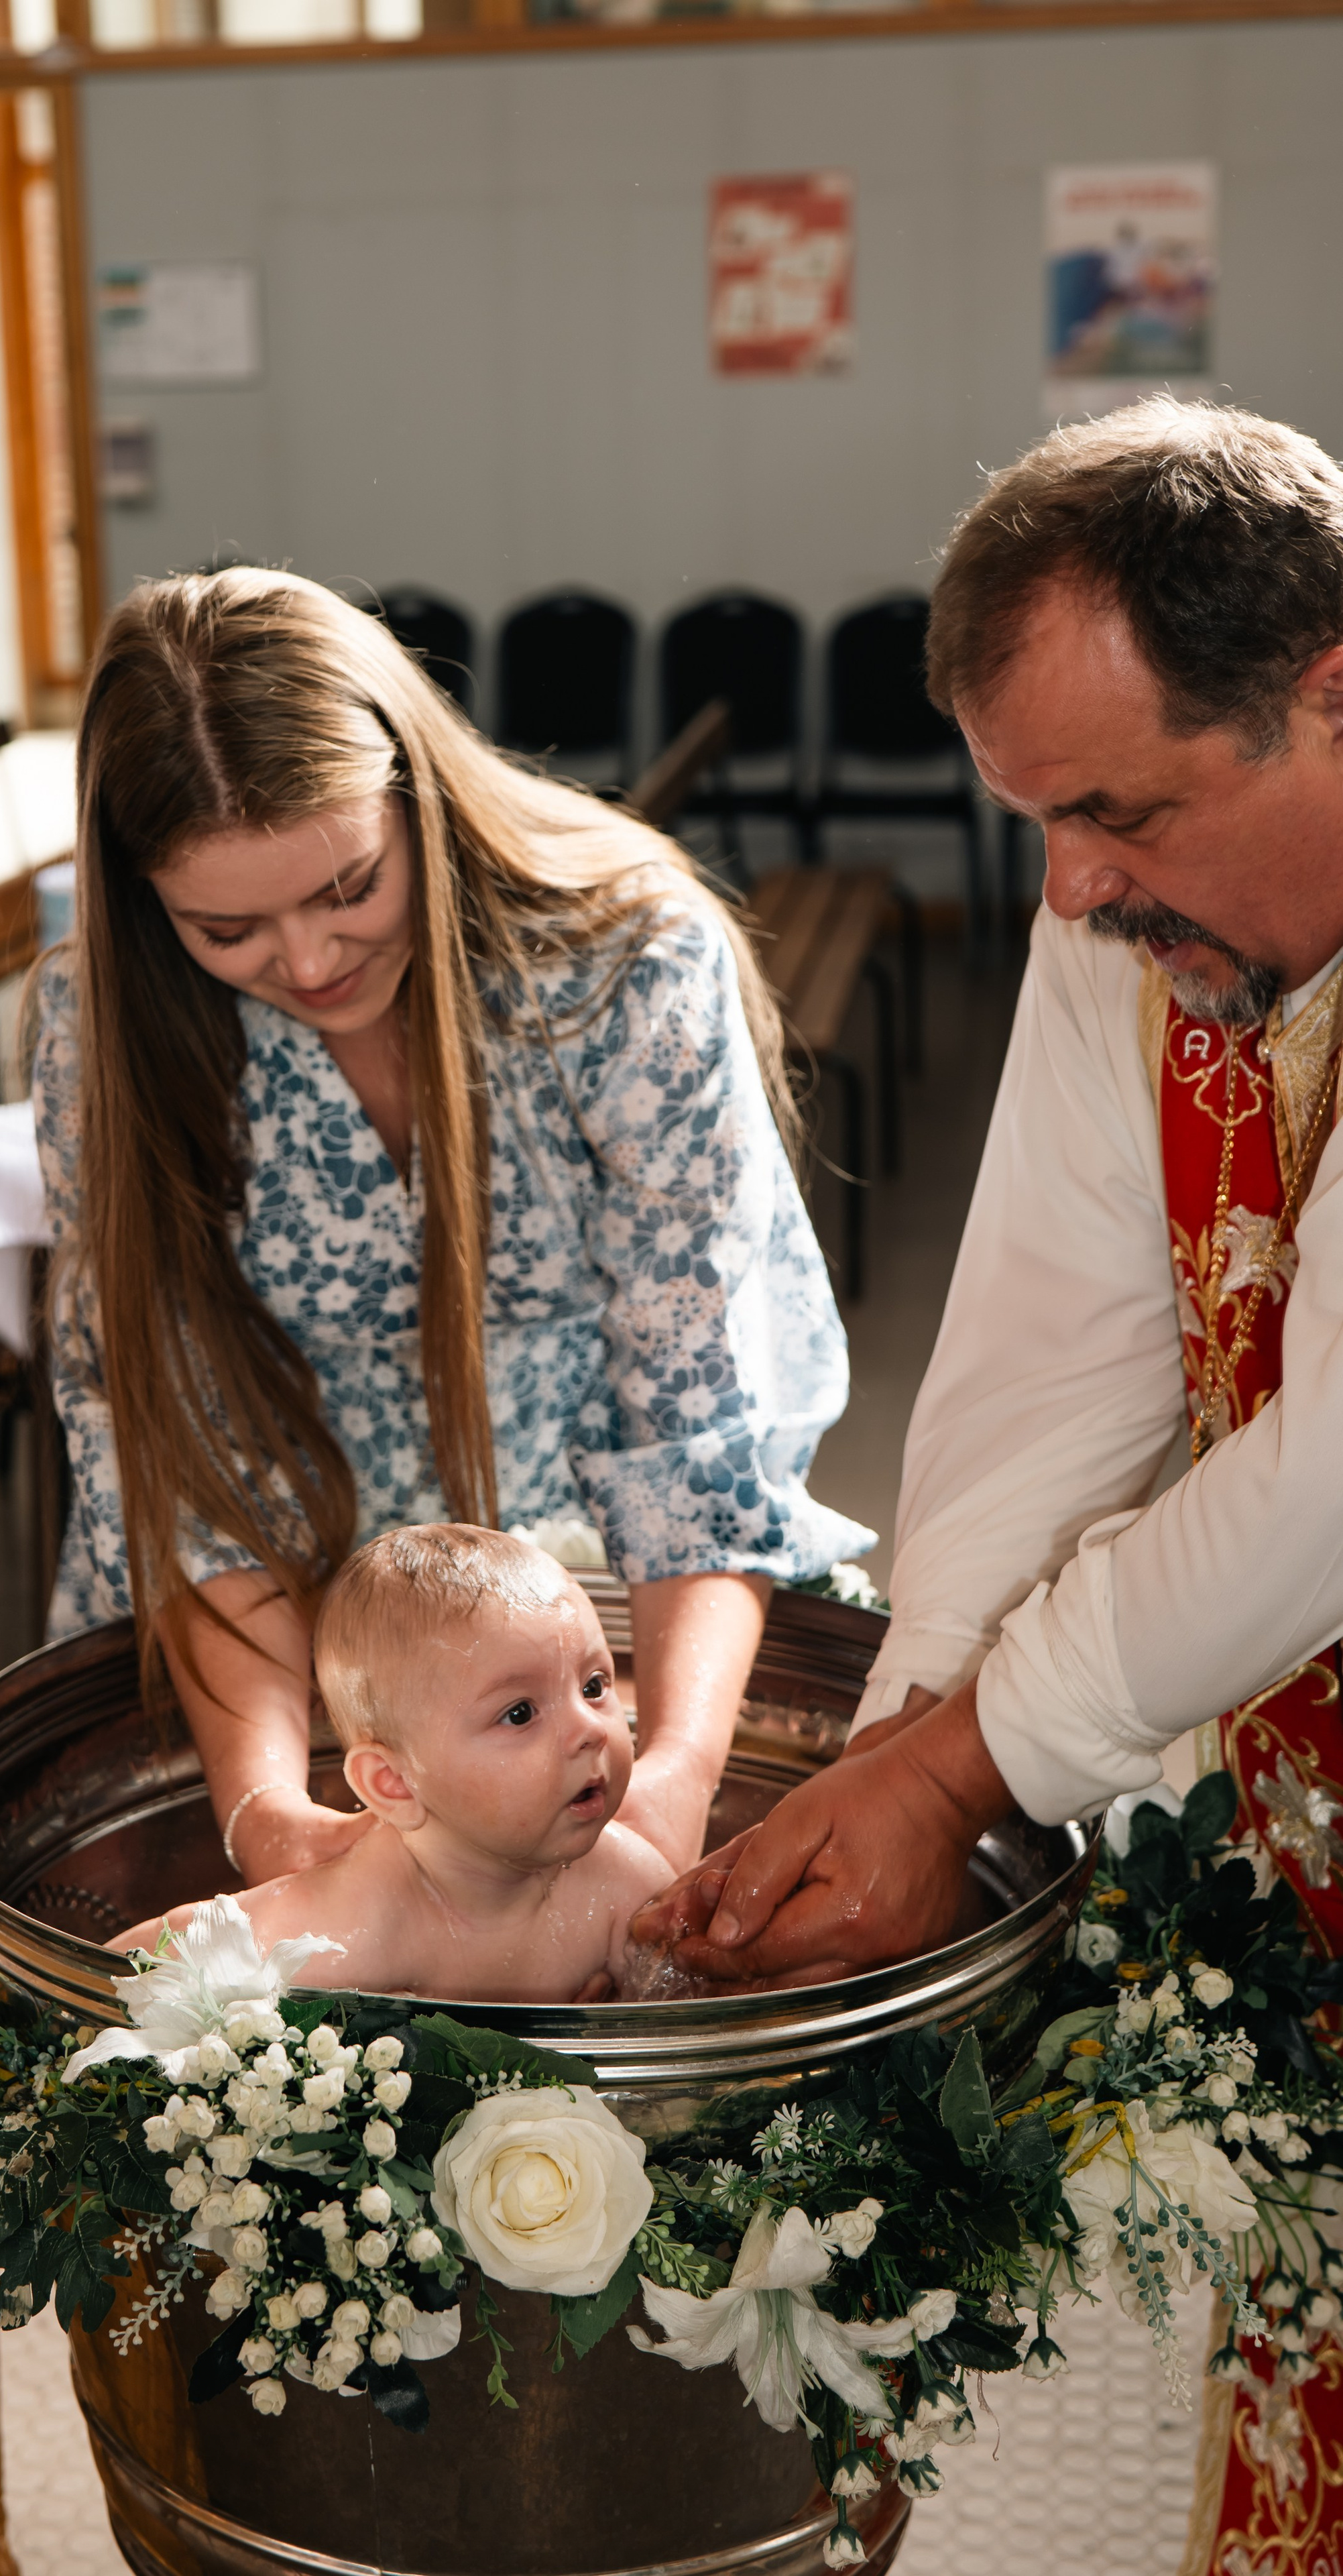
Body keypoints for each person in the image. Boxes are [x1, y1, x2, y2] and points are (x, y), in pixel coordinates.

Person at [632, 398, 1343, 2571]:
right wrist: (902, 1765)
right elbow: (1045, 1350)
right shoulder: (1120, 912)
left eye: (1120, 809)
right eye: (1037, 819)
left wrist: (966, 1773)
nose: (1071, 885)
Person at [34, 569, 869, 1891]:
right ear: (146, 906)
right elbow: (188, 1464)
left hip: (584, 1586)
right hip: (266, 1620)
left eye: (349, 886)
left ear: (417, 798)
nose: (307, 964)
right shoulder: (108, 1020)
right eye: (227, 928)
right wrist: (267, 1813)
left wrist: (668, 1778)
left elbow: (695, 1431)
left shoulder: (618, 958)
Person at [115, 1524, 673, 2002]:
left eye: (594, 1685)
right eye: (521, 1712)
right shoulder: (357, 1917)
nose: (591, 1730)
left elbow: (699, 2028)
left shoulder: (622, 1883)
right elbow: (125, 1970)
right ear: (395, 1784)